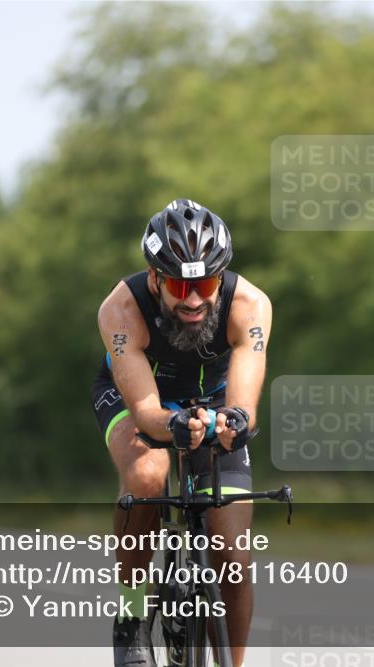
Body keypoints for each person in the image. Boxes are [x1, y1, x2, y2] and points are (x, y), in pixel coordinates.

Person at [93, 199, 272, 667]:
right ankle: (132, 615)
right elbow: (149, 412)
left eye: (206, 284)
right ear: (155, 278)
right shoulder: (121, 310)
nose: (193, 299)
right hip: (140, 400)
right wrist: (172, 427)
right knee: (149, 475)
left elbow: (245, 405)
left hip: (214, 402)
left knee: (232, 556)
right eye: (178, 285)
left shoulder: (250, 304)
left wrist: (235, 423)